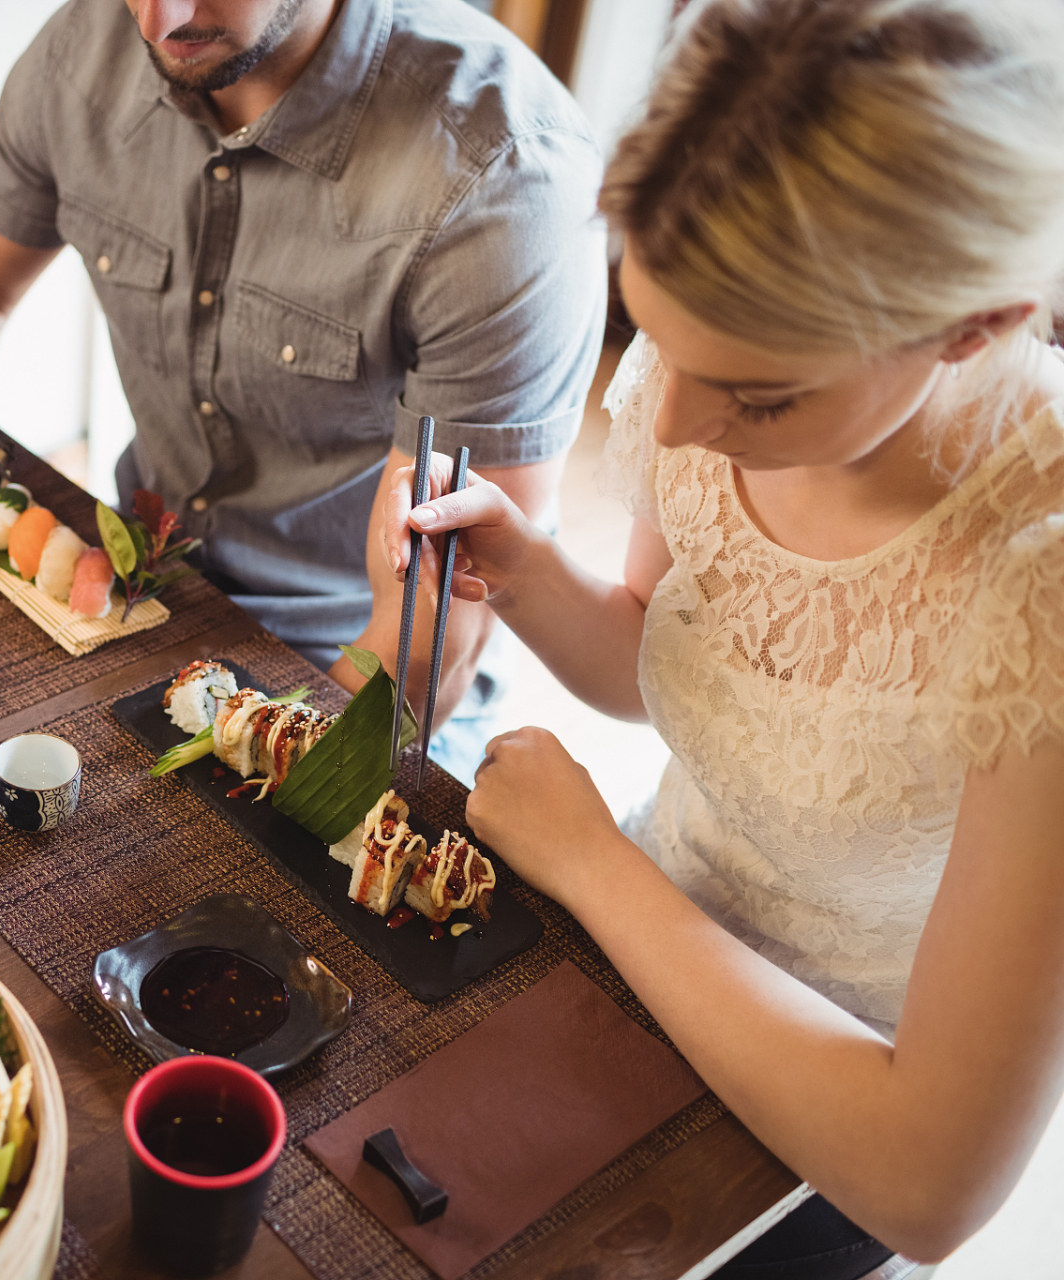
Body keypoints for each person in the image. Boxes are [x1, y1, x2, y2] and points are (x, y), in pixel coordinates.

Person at [386, 0, 1064, 1269]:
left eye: (758, 397)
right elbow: (657, 663)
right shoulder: (697, 381)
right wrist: (521, 569)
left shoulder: (1045, 578)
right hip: (631, 964)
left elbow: (930, 1182)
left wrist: (594, 861)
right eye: (653, 332)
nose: (669, 423)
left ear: (971, 326)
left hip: (838, 1110)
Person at [0, 0, 606, 780]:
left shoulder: (502, 176)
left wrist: (282, 761)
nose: (157, 23)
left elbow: (433, 642)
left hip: (346, 669)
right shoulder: (84, 48)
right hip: (140, 580)